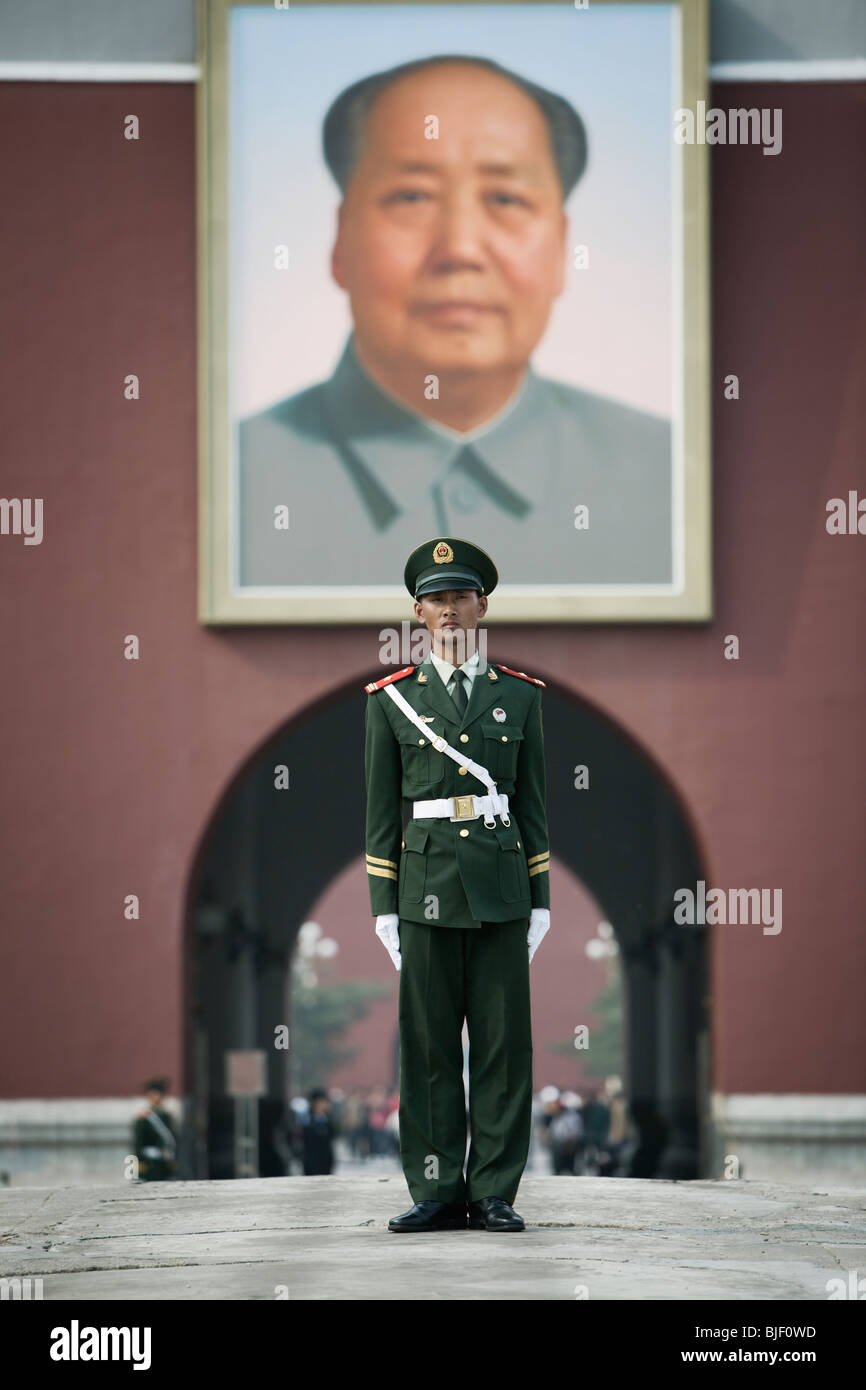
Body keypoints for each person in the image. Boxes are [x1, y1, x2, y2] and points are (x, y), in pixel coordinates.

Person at [239, 55, 672, 588]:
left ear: (561, 248)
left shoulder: (676, 483)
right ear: (340, 240)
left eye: (506, 199)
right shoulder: (226, 489)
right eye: (412, 196)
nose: (461, 249)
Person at [363, 536, 551, 1231]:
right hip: (425, 889)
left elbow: (532, 806)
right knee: (430, 1045)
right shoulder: (391, 701)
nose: (449, 609)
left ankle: (494, 1190)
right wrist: (385, 907)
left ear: (482, 605)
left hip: (502, 890)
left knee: (504, 1047)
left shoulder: (520, 697)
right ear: (418, 611)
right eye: (436, 599)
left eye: (460, 597)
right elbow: (381, 816)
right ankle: (438, 1191)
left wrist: (542, 900)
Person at [132, 1077, 178, 1182]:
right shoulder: (144, 1118)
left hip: (163, 1161)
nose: (155, 1098)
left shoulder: (167, 1116)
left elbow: (172, 1138)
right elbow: (138, 1141)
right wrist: (139, 1161)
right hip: (148, 1162)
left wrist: (173, 1160)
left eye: (157, 1095)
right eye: (152, 1095)